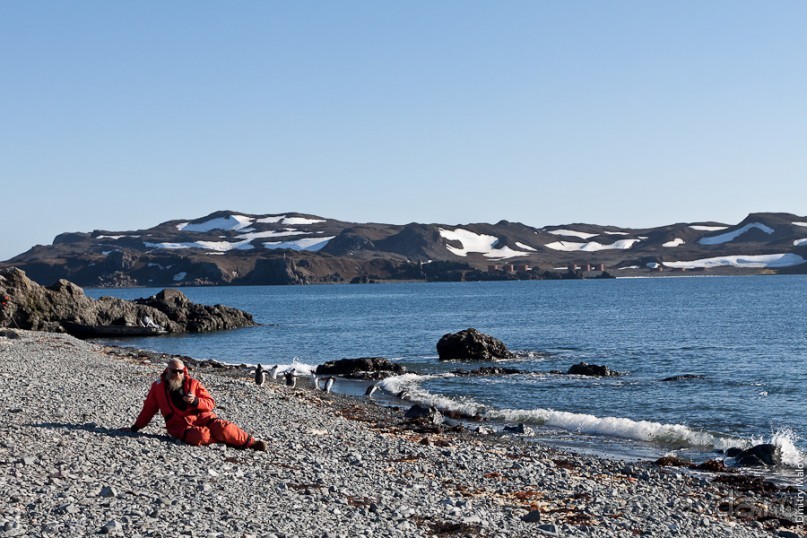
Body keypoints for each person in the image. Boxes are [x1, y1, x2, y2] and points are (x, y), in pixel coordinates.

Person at [129, 358, 267, 451]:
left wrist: (196, 401)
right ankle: (223, 440)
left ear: (184, 372)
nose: (177, 374)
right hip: (179, 425)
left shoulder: (194, 384)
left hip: (203, 418)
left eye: (180, 372)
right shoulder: (157, 387)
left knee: (224, 428)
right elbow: (149, 409)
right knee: (200, 436)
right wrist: (136, 426)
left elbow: (210, 403)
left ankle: (252, 443)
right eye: (173, 371)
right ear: (167, 371)